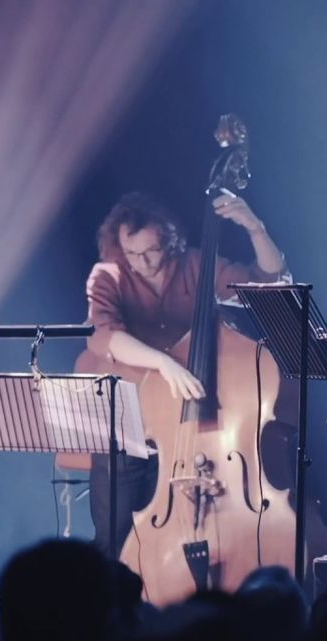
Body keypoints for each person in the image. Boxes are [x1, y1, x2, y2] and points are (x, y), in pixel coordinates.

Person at [80, 191, 290, 555]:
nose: (143, 263)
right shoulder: (108, 274)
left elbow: (270, 283)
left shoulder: (195, 263)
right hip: (129, 416)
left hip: (186, 416)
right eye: (133, 254)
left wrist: (255, 229)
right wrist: (163, 361)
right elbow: (104, 335)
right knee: (113, 534)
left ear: (169, 241)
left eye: (152, 251)